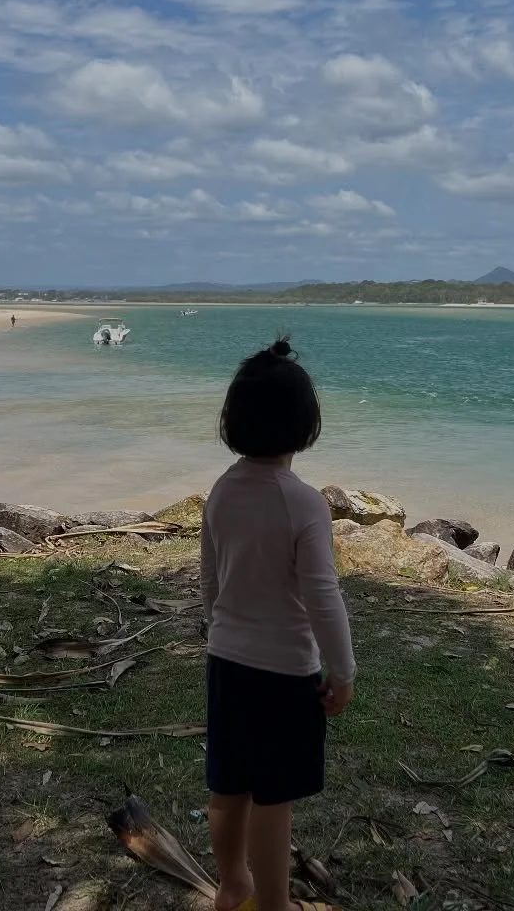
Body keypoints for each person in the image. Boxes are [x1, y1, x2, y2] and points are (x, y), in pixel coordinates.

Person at [201, 337, 355, 911]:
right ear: (305, 426)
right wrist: (343, 672)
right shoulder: (305, 503)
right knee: (273, 799)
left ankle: (232, 883)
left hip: (227, 662)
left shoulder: (221, 490)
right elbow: (322, 595)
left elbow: (210, 574)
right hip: (285, 672)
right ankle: (274, 904)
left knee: (228, 785)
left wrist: (212, 627)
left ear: (232, 422)